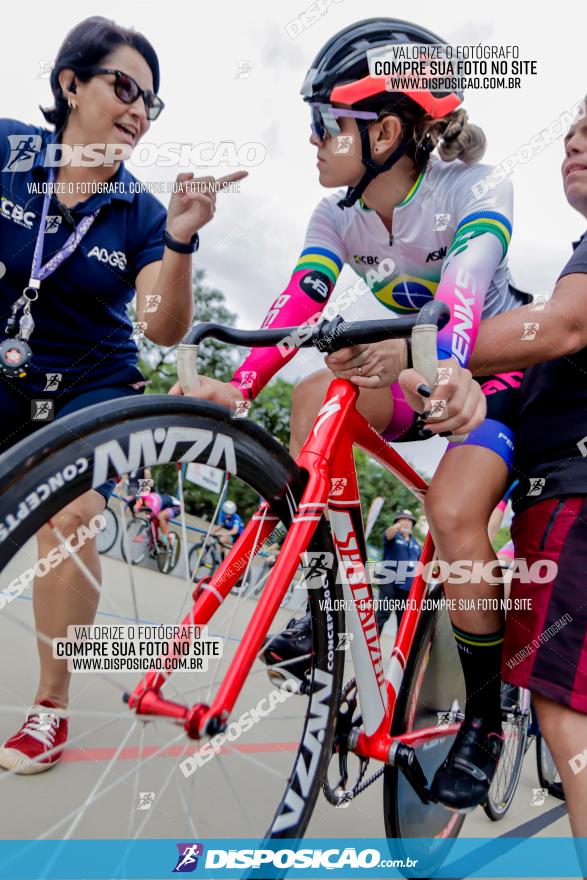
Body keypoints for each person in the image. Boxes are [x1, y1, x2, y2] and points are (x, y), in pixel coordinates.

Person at [174, 18, 523, 810]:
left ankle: (482, 718)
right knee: (309, 393)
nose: (311, 139)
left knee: (450, 511)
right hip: (412, 363)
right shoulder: (335, 214)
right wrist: (241, 381)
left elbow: (464, 284)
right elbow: (299, 297)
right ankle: (325, 605)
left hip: (487, 378)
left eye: (323, 122)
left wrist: (436, 358)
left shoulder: (474, 188)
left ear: (388, 130)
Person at [0, 15, 242, 775]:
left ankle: (49, 707)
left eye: (152, 101)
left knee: (70, 512)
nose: (139, 109)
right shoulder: (9, 149)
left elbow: (159, 327)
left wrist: (179, 239)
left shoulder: (139, 211)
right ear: (71, 84)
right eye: (125, 86)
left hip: (88, 382)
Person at [465, 99, 587, 843]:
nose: (573, 145)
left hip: (570, 494)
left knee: (564, 714)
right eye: (571, 133)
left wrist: (432, 346)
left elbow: (562, 326)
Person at [376, 509, 421, 633]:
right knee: (383, 614)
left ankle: (397, 651)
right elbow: (388, 534)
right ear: (397, 521)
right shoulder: (393, 537)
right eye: (403, 519)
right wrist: (396, 527)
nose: (407, 523)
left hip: (406, 587)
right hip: (389, 582)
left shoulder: (415, 543)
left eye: (409, 521)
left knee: (403, 622)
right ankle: (370, 648)